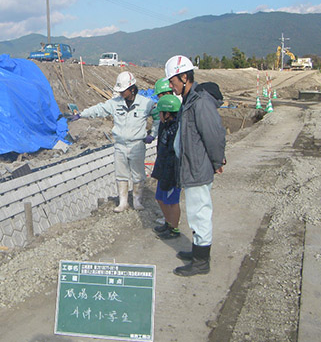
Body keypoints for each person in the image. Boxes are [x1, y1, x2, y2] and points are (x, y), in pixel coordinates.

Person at [165, 55, 226, 277]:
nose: (172, 87)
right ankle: (197, 251)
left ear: (184, 77)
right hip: (191, 166)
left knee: (200, 213)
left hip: (198, 167)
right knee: (195, 212)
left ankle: (201, 262)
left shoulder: (200, 102)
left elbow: (214, 134)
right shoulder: (189, 100)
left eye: (173, 82)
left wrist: (217, 160)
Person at [70, 71, 158, 212]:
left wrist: (153, 134)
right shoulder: (115, 103)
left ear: (132, 89)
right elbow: (99, 109)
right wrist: (81, 114)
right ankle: (123, 202)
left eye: (124, 91)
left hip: (137, 144)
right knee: (121, 173)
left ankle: (137, 201)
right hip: (120, 145)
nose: (122, 93)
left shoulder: (146, 103)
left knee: (138, 174)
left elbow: (158, 117)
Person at [150, 94, 182, 240]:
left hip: (173, 171)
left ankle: (174, 229)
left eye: (161, 113)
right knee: (160, 198)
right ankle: (168, 223)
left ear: (167, 113)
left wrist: (170, 173)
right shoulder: (167, 126)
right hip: (164, 168)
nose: (159, 116)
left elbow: (174, 153)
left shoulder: (176, 129)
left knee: (172, 201)